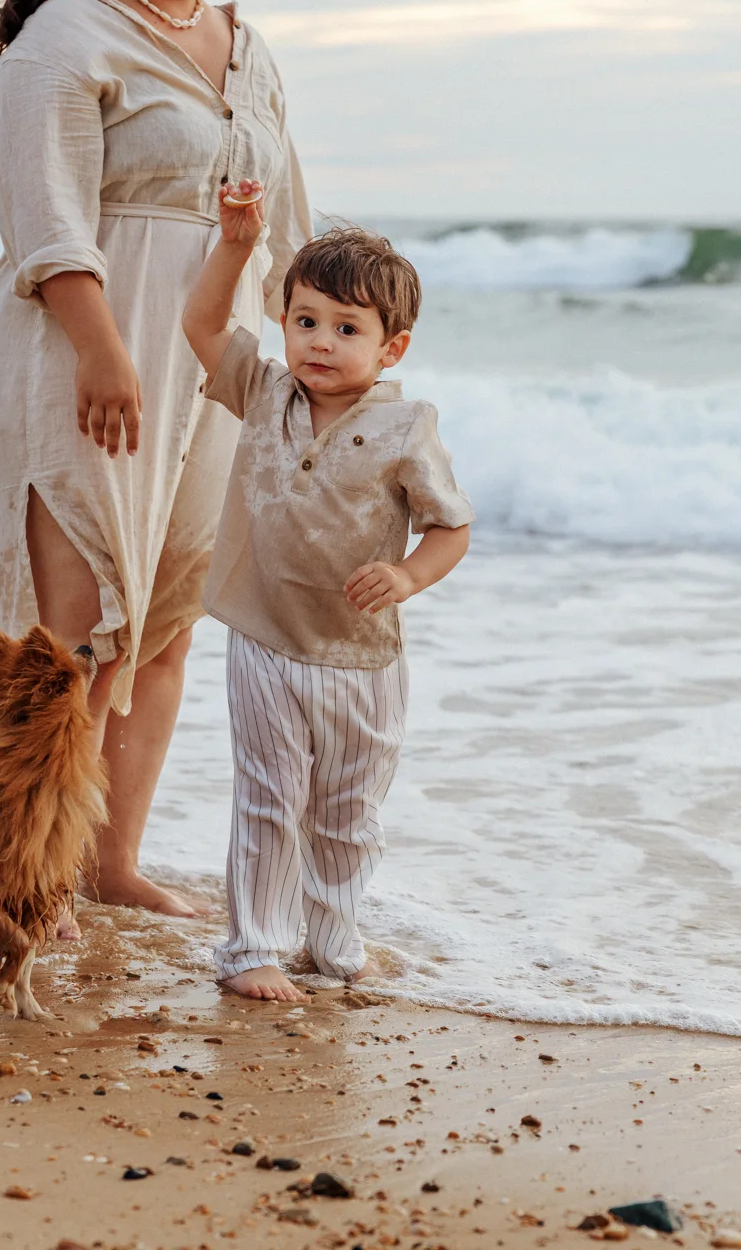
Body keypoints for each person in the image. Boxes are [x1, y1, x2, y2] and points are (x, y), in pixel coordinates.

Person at [0, 0, 311, 919]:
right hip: (86, 352)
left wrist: (310, 367)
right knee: (65, 637)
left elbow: (288, 222)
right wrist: (101, 348)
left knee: (164, 619)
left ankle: (108, 866)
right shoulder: (66, 36)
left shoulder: (247, 49)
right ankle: (16, 871)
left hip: (209, 365)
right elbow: (45, 210)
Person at [182, 197, 474, 999]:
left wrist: (409, 575)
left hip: (361, 655)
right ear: (283, 322)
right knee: (269, 799)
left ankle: (334, 940)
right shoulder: (265, 393)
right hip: (264, 637)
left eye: (347, 329)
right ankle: (251, 951)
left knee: (347, 809)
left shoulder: (406, 428)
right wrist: (236, 247)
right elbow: (203, 327)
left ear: (392, 347)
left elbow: (451, 528)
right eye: (305, 321)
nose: (320, 342)